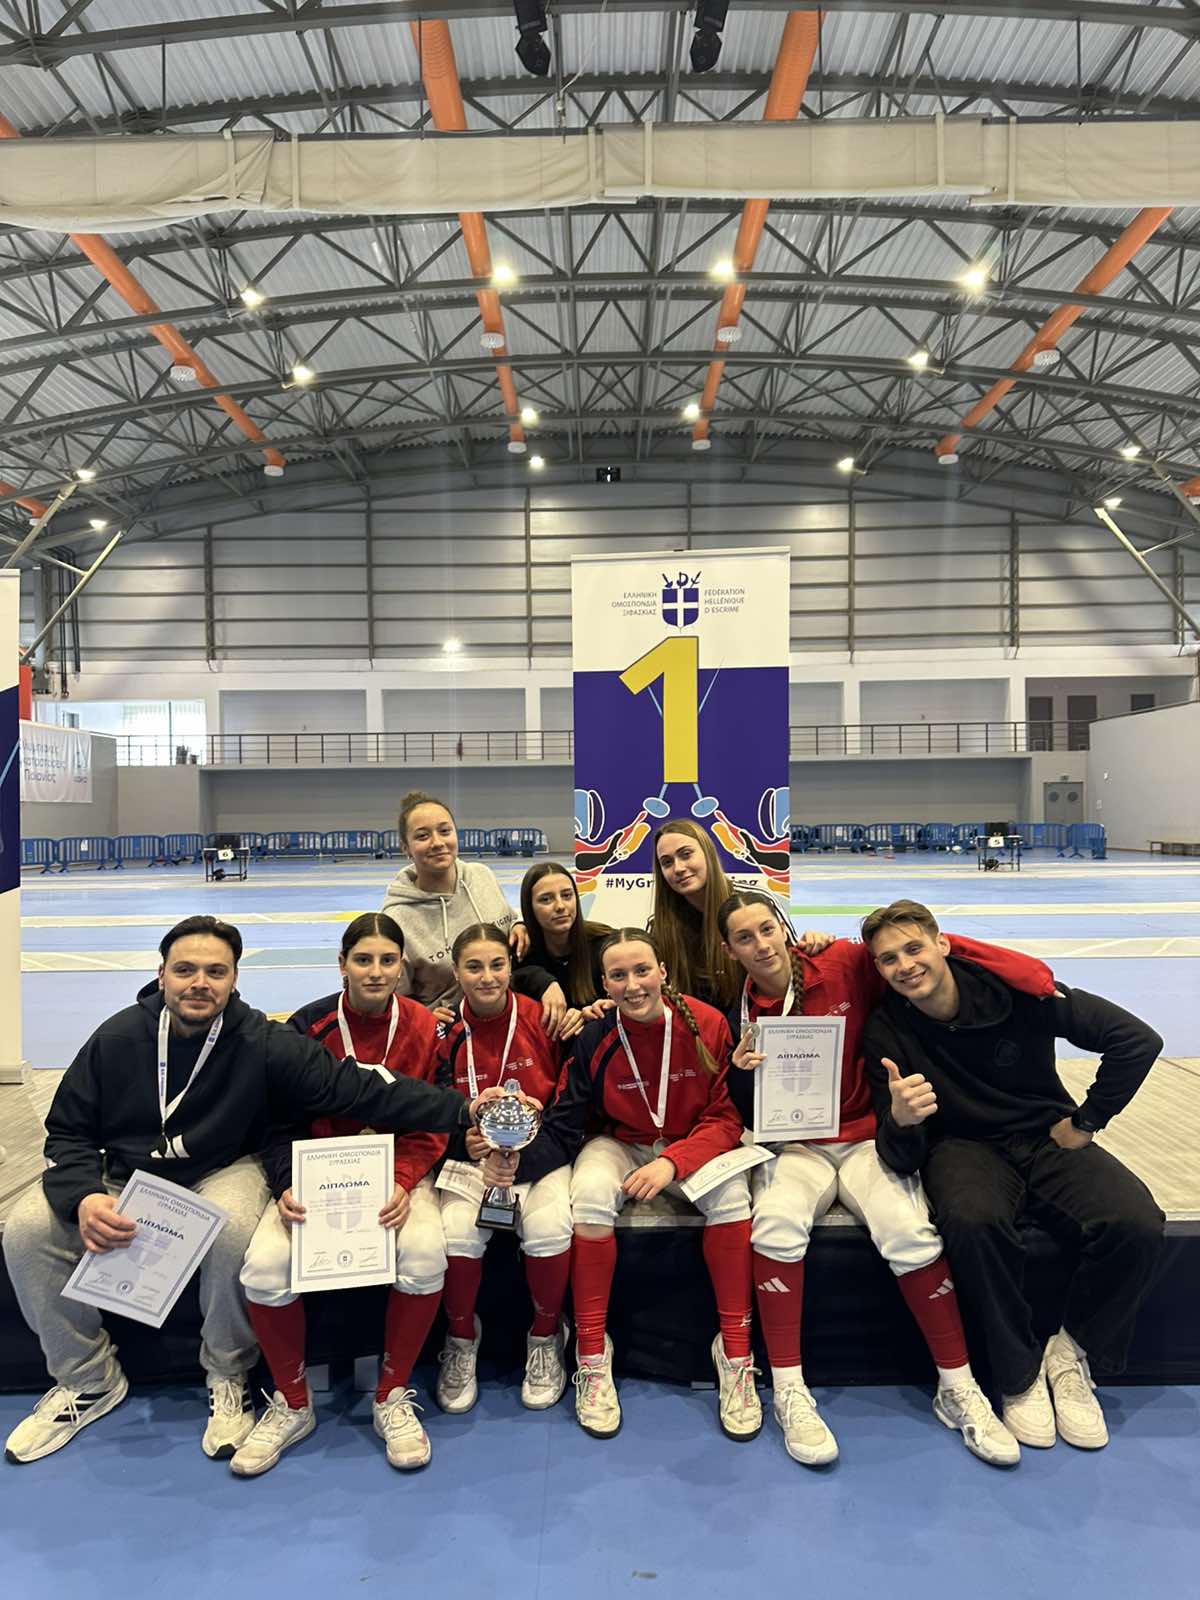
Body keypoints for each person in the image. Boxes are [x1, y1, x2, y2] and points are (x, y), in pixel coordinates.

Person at [2, 914, 511, 1467]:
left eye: (215, 971)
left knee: (230, 1230)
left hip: (222, 1168)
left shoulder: (262, 1040)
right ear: (162, 973)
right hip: (122, 1173)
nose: (200, 983)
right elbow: (67, 1131)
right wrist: (84, 1195)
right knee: (27, 1231)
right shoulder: (116, 1037)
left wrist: (465, 1109)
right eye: (186, 970)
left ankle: (228, 1374)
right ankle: (88, 1380)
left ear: (235, 979)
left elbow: (357, 1088)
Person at [718, 891, 1059, 1468]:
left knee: (911, 1233)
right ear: (730, 951)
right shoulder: (740, 1012)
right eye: (745, 938)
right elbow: (745, 1106)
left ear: (785, 929)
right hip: (795, 1147)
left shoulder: (843, 961)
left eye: (767, 929)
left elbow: (925, 957)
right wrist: (741, 1074)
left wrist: (1021, 973)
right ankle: (791, 1392)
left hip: (864, 1139)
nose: (761, 945)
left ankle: (958, 1388)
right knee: (773, 1226)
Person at [860, 898, 1165, 1452]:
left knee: (1136, 1220)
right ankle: (1018, 1374)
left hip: (1045, 1134)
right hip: (960, 1146)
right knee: (972, 1223)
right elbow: (900, 1158)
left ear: (942, 944)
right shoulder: (886, 1031)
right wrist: (902, 1120)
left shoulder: (1019, 993)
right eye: (888, 959)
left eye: (913, 948)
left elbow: (1136, 1040)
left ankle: (1070, 1354)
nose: (905, 965)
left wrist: (1087, 1120)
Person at [510, 929, 758, 1444]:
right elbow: (568, 1121)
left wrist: (672, 1162)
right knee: (589, 1194)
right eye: (618, 975)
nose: (633, 984)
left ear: (663, 972)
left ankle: (735, 1352)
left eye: (642, 970)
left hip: (692, 1143)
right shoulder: (595, 1035)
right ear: (604, 984)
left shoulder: (706, 1022)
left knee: (734, 1197)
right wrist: (512, 1163)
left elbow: (725, 1116)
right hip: (621, 1144)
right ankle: (591, 1352)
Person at [235, 913, 448, 1476]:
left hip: (398, 1176)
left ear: (402, 967)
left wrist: (404, 1179)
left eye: (387, 960)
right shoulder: (307, 1027)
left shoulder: (426, 1027)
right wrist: (287, 1182)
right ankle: (293, 1403)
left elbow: (434, 1119)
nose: (375, 972)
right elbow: (277, 1120)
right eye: (363, 960)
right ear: (342, 965)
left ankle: (391, 1395)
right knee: (263, 1268)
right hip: (317, 1181)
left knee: (426, 1255)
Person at [433, 924, 575, 1417]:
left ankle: (545, 1336)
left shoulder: (544, 1019)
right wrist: (464, 1143)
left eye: (497, 965)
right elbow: (430, 1107)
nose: (487, 977)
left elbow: (569, 1109)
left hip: (542, 1157)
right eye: (473, 967)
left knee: (549, 1227)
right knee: (455, 1234)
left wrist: (520, 1158)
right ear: (456, 973)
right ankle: (461, 1338)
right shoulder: (443, 1032)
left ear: (512, 968)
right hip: (472, 1162)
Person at [382, 790, 569, 1031]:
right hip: (449, 1032)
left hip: (507, 1015)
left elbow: (507, 922)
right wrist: (423, 1017)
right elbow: (393, 998)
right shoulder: (397, 919)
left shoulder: (482, 876)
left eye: (445, 831)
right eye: (422, 836)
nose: (437, 842)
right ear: (405, 848)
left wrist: (518, 925)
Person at [649, 819, 741, 1010]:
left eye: (686, 854)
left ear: (708, 853)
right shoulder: (659, 927)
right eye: (667, 862)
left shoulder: (753, 906)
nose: (678, 868)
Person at [514, 860, 610, 1008]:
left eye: (566, 895)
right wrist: (541, 980)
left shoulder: (604, 944)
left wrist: (595, 1015)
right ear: (529, 907)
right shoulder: (522, 951)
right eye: (546, 899)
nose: (560, 906)